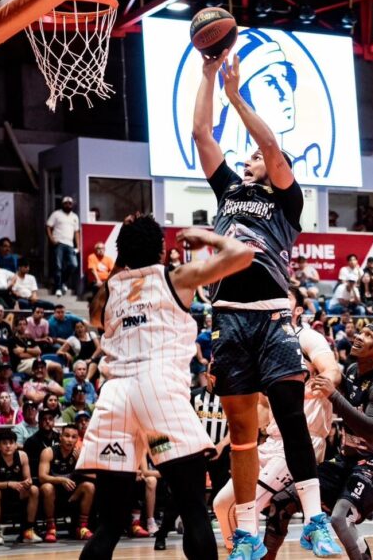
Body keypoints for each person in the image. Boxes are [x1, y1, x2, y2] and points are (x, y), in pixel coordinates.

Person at [192, 49, 338, 559]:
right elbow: (202, 138)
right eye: (249, 157)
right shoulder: (229, 190)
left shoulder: (286, 200)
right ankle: (248, 531)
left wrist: (237, 96)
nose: (251, 158)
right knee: (241, 435)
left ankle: (316, 520)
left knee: (291, 418)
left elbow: (272, 146)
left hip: (274, 316)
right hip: (229, 318)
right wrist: (210, 75)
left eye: (256, 158)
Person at [77, 216, 254, 560]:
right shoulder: (176, 277)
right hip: (158, 393)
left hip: (115, 399)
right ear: (160, 249)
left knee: (110, 525)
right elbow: (242, 254)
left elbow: (97, 320)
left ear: (121, 251)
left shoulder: (106, 291)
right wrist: (203, 237)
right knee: (193, 510)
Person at [213, 287, 340, 555]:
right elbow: (260, 401)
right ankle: (239, 551)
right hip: (271, 440)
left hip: (302, 441)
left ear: (296, 311)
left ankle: (312, 527)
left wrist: (326, 380)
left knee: (246, 509)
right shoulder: (262, 342)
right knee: (221, 504)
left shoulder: (306, 337)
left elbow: (331, 368)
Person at [308, 323, 373, 560]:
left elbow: (372, 430)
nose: (359, 337)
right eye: (360, 332)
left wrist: (334, 395)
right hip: (347, 458)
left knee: (339, 518)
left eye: (369, 335)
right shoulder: (351, 371)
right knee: (297, 490)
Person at [39, 424, 96, 542]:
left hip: (72, 494)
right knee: (47, 487)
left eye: (74, 437)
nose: (70, 440)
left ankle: (82, 527)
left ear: (77, 439)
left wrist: (80, 462)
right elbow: (42, 477)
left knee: (89, 486)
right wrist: (61, 479)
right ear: (60, 437)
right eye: (67, 436)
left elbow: (94, 476)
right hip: (53, 495)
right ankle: (51, 528)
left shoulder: (79, 454)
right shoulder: (48, 452)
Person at [0, 429, 41, 545]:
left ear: (16, 445)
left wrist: (27, 482)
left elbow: (28, 478)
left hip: (18, 491)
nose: (8, 446)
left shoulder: (22, 455)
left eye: (11, 443)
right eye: (4, 443)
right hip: (0, 492)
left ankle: (28, 530)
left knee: (34, 489)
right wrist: (8, 484)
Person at [46, 196, 80, 297]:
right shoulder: (56, 214)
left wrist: (78, 245)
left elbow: (77, 232)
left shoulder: (74, 216)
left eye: (70, 203)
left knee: (73, 265)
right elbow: (48, 226)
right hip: (59, 242)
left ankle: (61, 283)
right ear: (62, 204)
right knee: (58, 266)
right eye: (66, 203)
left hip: (70, 244)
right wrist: (51, 239)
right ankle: (58, 288)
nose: (68, 205)